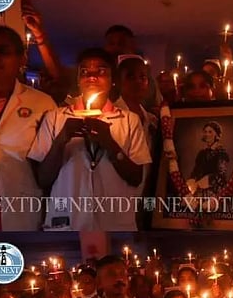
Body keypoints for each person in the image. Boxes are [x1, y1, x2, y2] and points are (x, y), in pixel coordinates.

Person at [28, 47, 151, 231]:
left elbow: (135, 178)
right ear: (78, 80)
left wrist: (109, 142)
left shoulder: (128, 120)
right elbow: (43, 179)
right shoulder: (55, 117)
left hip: (114, 222)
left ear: (113, 81)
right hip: (67, 220)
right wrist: (62, 139)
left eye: (101, 71)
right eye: (85, 72)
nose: (92, 77)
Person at [0, 26, 56, 232]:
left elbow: (51, 168)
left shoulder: (42, 104)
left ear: (22, 59)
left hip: (19, 206)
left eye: (2, 51)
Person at [187, 121, 229, 197]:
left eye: (210, 132)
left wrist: (200, 183)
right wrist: (191, 181)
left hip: (216, 192)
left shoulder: (221, 153)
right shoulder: (201, 153)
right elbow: (196, 170)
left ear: (216, 134)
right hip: (199, 191)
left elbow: (220, 175)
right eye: (205, 132)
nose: (207, 134)